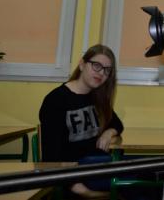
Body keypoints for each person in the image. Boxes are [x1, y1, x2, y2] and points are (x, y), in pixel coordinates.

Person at [39, 44, 122, 198]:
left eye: (107, 70)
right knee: (146, 178)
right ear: (82, 64)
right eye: (96, 65)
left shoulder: (97, 97)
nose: (101, 73)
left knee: (154, 171)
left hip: (97, 165)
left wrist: (108, 133)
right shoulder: (56, 100)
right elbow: (51, 160)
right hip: (75, 175)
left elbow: (117, 124)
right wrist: (83, 191)